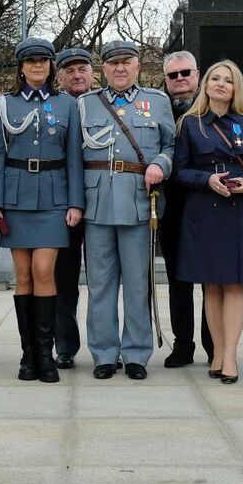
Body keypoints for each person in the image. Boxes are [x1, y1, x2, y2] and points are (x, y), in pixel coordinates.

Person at [0, 38, 84, 383]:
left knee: (45, 271)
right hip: (16, 198)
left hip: (54, 197)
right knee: (24, 276)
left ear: (51, 66)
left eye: (43, 61)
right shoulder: (5, 104)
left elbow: (74, 157)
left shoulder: (67, 105)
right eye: (31, 62)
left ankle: (47, 355)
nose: (38, 66)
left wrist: (76, 202)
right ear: (21, 68)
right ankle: (29, 356)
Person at [78, 40, 174, 380]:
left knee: (137, 284)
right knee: (100, 285)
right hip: (97, 203)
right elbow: (75, 158)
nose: (120, 68)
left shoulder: (158, 102)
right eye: (113, 63)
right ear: (103, 69)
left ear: (138, 66)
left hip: (137, 203)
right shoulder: (86, 104)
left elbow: (171, 145)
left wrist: (161, 164)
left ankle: (136, 353)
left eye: (127, 62)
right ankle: (104, 353)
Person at [173, 60, 243, 384]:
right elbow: (180, 170)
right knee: (210, 285)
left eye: (227, 80)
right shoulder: (190, 124)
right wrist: (206, 179)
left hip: (241, 210)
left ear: (235, 88)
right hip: (204, 212)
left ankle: (229, 356)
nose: (220, 84)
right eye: (215, 78)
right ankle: (215, 352)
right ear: (206, 84)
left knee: (234, 283)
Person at [160, 50, 212, 367]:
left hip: (208, 205)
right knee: (178, 280)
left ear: (197, 74)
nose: (179, 79)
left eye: (185, 73)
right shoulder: (155, 109)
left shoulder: (214, 105)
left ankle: (213, 343)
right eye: (173, 75)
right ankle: (183, 344)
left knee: (211, 279)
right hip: (172, 208)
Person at [52, 47, 94, 369]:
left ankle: (105, 346)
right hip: (64, 207)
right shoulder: (52, 107)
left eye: (83, 69)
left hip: (101, 206)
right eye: (70, 71)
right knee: (63, 281)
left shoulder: (105, 105)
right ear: (60, 76)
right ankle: (65, 345)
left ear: (93, 74)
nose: (77, 75)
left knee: (104, 282)